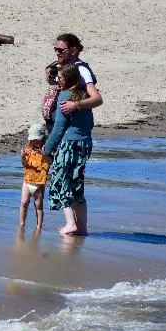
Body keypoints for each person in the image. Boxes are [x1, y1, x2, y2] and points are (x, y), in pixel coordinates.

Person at [43, 64, 94, 236]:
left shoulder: (64, 96)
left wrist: (47, 149)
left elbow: (58, 129)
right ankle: (82, 228)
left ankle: (70, 223)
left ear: (69, 80)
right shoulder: (83, 97)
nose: (58, 80)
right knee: (77, 184)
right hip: (85, 143)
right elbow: (90, 124)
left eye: (61, 78)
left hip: (68, 144)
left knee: (61, 180)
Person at [53, 34, 102, 118]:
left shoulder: (81, 70)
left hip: (75, 123)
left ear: (73, 51)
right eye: (55, 49)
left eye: (60, 50)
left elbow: (97, 99)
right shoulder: (63, 67)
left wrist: (74, 105)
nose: (57, 53)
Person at [19, 123, 50, 230]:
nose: (35, 143)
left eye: (37, 140)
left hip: (39, 183)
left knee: (39, 206)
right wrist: (23, 157)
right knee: (24, 203)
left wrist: (44, 154)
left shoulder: (46, 149)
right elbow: (24, 165)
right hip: (27, 181)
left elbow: (50, 162)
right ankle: (22, 224)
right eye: (33, 141)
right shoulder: (28, 149)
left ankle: (39, 226)